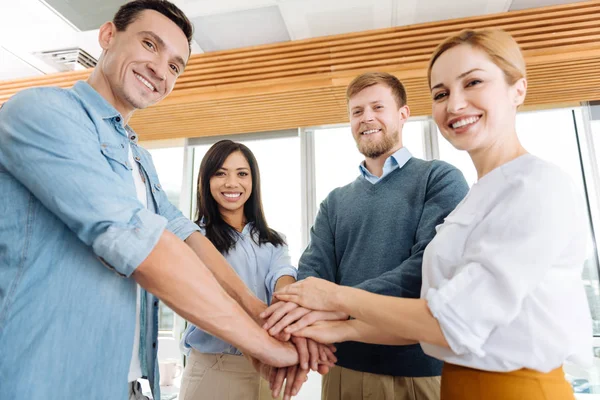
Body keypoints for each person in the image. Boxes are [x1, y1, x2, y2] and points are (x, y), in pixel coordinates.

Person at [264, 29, 593, 400]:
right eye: (441, 94)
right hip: (360, 364)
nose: (455, 105)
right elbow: (438, 301)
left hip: (448, 377)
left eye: (473, 82)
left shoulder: (513, 183)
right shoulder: (476, 196)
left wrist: (334, 301)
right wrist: (329, 324)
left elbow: (431, 292)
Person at [0, 1, 302, 399]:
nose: (161, 70)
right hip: (44, 382)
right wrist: (261, 344)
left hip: (129, 386)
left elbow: (189, 241)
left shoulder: (139, 159)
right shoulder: (41, 113)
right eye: (149, 44)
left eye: (175, 65)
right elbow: (144, 247)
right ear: (108, 36)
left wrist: (257, 311)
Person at [262, 72, 469, 400]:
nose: (366, 118)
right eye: (357, 111)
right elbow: (314, 272)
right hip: (342, 370)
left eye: (377, 107)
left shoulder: (439, 178)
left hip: (418, 372)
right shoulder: (335, 201)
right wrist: (315, 310)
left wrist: (335, 301)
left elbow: (426, 269)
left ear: (403, 115)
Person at [179, 140, 336, 400]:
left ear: (253, 181)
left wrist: (283, 312)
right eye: (220, 173)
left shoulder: (274, 240)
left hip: (269, 368)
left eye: (242, 173)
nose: (232, 183)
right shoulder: (194, 237)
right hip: (215, 369)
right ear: (206, 181)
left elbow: (283, 276)